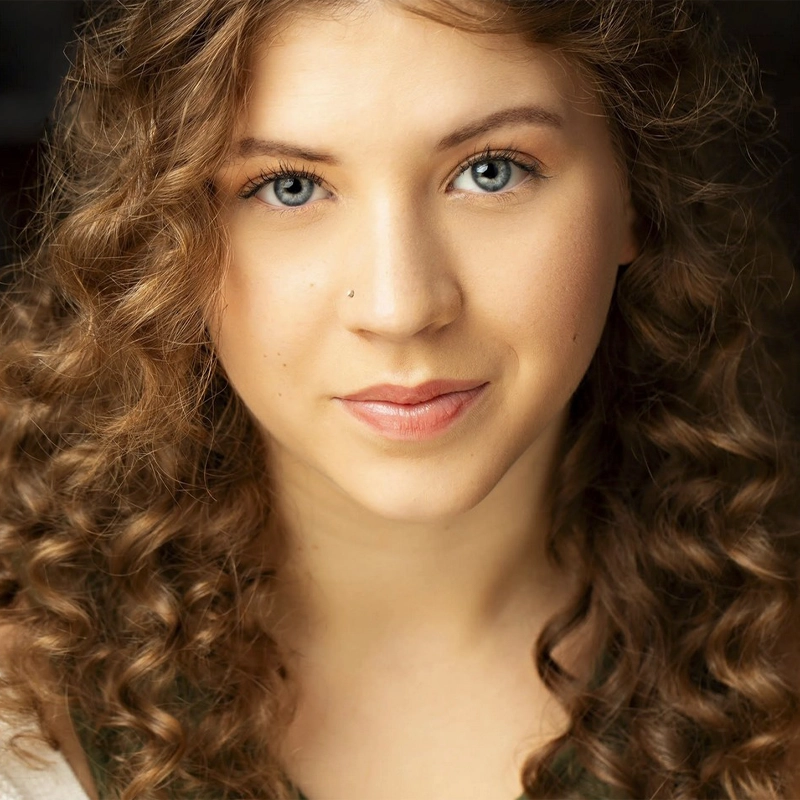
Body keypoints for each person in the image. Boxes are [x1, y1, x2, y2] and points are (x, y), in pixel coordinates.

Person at [0, 0, 798, 798]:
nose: (400, 306)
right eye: (289, 187)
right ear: (163, 229)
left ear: (633, 193)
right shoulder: (24, 725)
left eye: (492, 171)